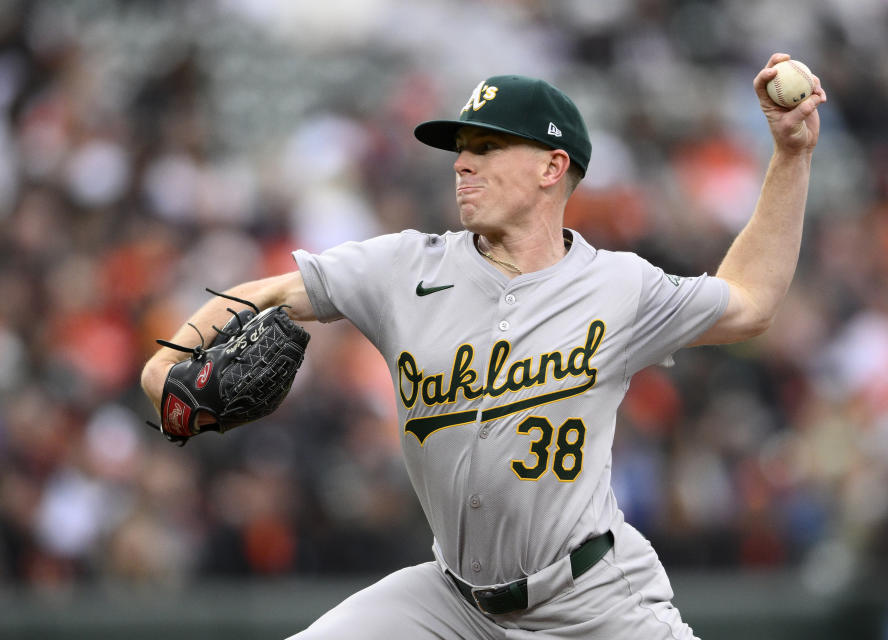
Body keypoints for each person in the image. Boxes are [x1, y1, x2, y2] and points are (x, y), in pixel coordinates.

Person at [141, 53, 825, 639]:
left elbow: (751, 302)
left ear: (553, 166)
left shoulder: (619, 286)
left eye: (488, 147)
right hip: (451, 603)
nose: (463, 164)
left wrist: (792, 155)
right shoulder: (404, 268)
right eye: (461, 148)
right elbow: (267, 292)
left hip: (592, 602)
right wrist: (163, 366)